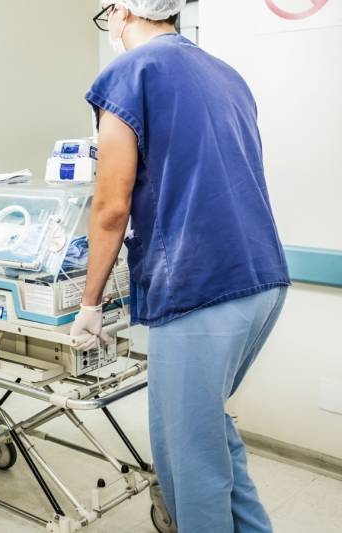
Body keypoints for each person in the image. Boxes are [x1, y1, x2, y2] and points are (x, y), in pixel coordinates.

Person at [70, 2, 290, 531]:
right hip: (261, 277)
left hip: (199, 287)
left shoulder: (128, 74)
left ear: (122, 11)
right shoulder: (225, 74)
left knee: (187, 459)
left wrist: (89, 304)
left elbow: (111, 207)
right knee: (209, 430)